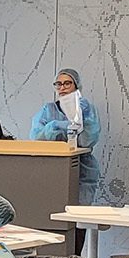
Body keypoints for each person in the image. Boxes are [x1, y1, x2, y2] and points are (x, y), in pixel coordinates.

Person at [28, 68, 103, 200]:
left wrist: (85, 119)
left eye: (67, 83)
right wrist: (54, 126)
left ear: (76, 86)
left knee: (79, 211)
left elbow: (88, 141)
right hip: (53, 168)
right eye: (59, 84)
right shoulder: (48, 109)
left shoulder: (87, 109)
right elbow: (36, 138)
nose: (62, 88)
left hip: (82, 169)